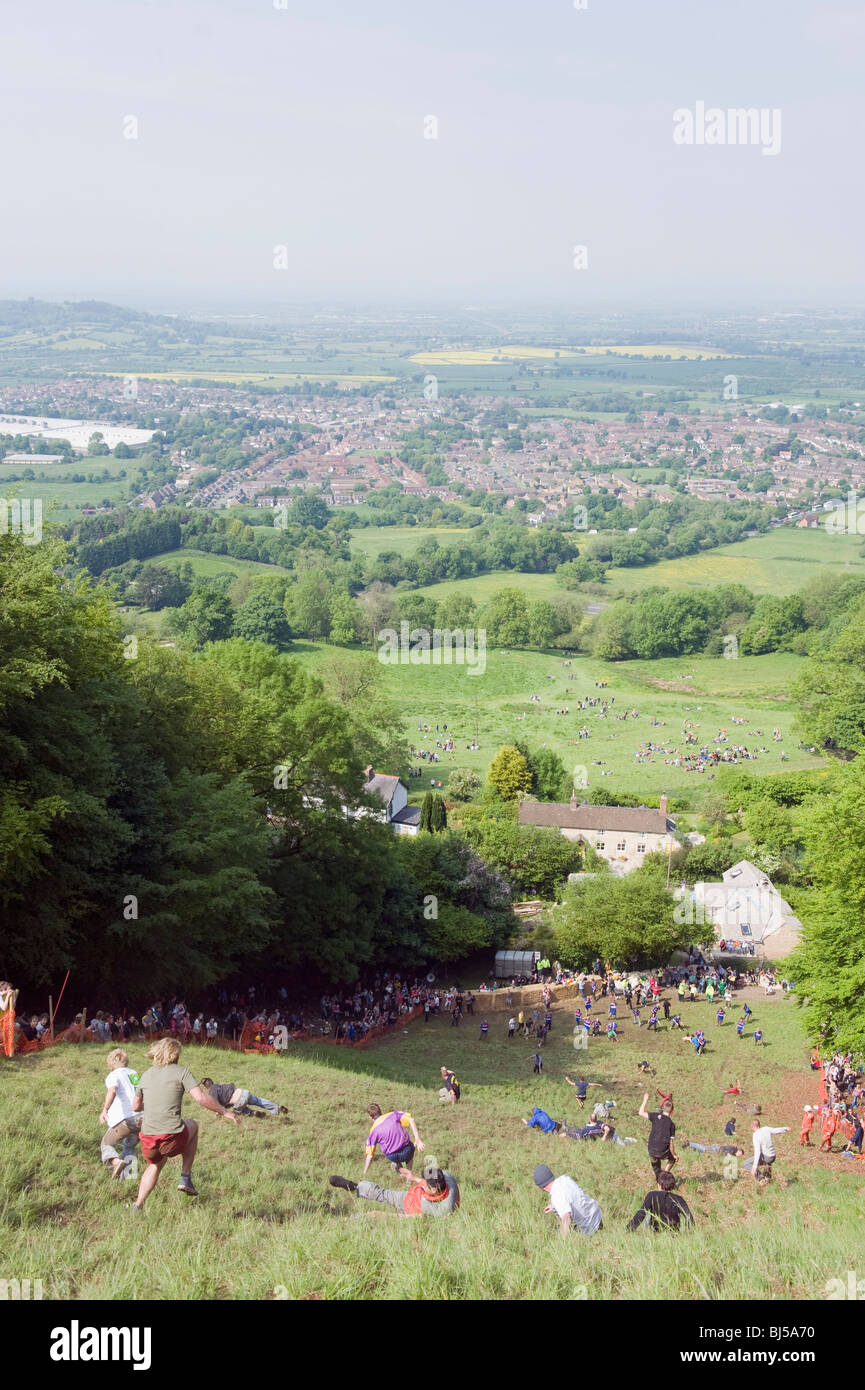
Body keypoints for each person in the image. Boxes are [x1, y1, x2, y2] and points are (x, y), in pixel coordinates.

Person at [131, 1038, 240, 1210]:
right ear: (175, 1054)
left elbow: (136, 1106)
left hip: (148, 1139)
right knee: (193, 1125)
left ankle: (138, 1205)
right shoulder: (181, 1072)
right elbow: (201, 1098)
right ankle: (185, 1177)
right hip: (171, 1137)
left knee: (155, 1164)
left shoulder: (146, 1074)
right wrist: (225, 1112)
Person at [329, 1164, 459, 1217]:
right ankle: (355, 1187)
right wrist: (415, 1178)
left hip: (408, 1210)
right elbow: (428, 1184)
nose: (421, 1184)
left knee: (372, 1217)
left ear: (435, 1190)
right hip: (406, 1197)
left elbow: (410, 1218)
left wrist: (382, 1215)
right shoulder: (447, 1179)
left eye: (424, 1184)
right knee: (381, 1193)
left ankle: (349, 1218)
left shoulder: (438, 1210)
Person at [99, 1048, 141, 1179]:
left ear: (110, 1063)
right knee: (129, 1144)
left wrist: (105, 1109)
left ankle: (115, 1162)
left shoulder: (113, 1075)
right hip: (143, 1118)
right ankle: (129, 1177)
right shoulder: (134, 1073)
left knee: (106, 1144)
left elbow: (112, 1091)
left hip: (126, 1120)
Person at [532, 1164, 602, 1237]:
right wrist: (554, 1206)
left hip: (590, 1229)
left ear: (541, 1188)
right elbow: (570, 1196)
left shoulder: (556, 1196)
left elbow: (566, 1217)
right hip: (597, 1216)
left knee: (552, 1232)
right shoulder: (565, 1179)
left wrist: (564, 1242)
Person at [364, 1104, 425, 1179]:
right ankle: (409, 1176)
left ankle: (400, 1170)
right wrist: (418, 1139)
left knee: (394, 1162)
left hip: (393, 1156)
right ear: (380, 1111)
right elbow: (411, 1120)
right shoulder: (394, 1114)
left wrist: (365, 1172)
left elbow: (370, 1155)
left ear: (370, 1117)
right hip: (407, 1150)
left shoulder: (373, 1131)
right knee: (409, 1154)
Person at [626, 1171, 694, 1233]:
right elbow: (689, 1217)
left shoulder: (652, 1195)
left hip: (655, 1231)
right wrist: (688, 1233)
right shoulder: (679, 1199)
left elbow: (641, 1213)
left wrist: (629, 1229)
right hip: (673, 1232)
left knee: (648, 1213)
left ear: (659, 1184)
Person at [198, 1077, 287, 1117]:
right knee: (259, 1101)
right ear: (212, 1082)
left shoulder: (212, 1091)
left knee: (237, 1111)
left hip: (239, 1101)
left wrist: (218, 1113)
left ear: (206, 1087)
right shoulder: (220, 1086)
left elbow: (215, 1104)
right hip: (244, 1092)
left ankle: (253, 1113)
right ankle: (277, 1107)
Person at [638, 1093, 677, 1177]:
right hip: (663, 1152)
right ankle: (665, 1173)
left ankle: (660, 1177)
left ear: (662, 1109)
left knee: (657, 1169)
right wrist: (673, 1154)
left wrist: (645, 1100)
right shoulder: (671, 1124)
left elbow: (641, 1112)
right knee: (672, 1159)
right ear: (672, 1111)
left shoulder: (655, 1116)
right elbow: (671, 1143)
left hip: (651, 1150)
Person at [749, 1118, 789, 1183]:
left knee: (747, 1163)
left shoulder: (755, 1135)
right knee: (766, 1160)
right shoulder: (766, 1129)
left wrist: (754, 1167)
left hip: (767, 1157)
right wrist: (785, 1128)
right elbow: (775, 1130)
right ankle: (767, 1178)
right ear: (759, 1125)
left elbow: (757, 1151)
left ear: (752, 1126)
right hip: (773, 1156)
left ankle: (761, 1179)